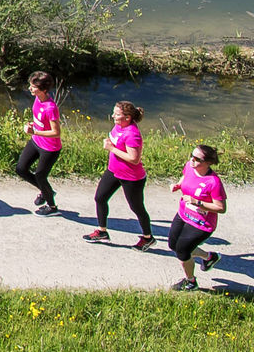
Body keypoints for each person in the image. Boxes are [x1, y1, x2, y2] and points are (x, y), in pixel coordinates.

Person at [85, 100, 155, 249]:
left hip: (131, 177)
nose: (113, 116)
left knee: (137, 208)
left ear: (127, 117)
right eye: (114, 113)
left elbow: (134, 159)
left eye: (117, 114)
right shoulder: (119, 125)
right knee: (100, 198)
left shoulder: (132, 134)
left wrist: (111, 148)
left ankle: (148, 237)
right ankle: (102, 231)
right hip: (114, 171)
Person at [167, 144, 228, 292]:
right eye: (191, 156)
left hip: (201, 223)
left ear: (208, 162)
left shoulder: (213, 182)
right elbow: (186, 176)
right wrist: (178, 185)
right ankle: (209, 257)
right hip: (184, 214)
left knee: (182, 251)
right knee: (173, 245)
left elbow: (221, 208)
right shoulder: (190, 166)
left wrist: (198, 203)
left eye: (197, 159)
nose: (192, 160)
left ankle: (191, 282)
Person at [15, 71, 62, 214]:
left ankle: (52, 207)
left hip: (49, 148)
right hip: (36, 142)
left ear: (44, 89)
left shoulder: (51, 108)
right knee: (21, 169)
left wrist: (34, 131)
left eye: (33, 87)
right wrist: (33, 127)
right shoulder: (38, 99)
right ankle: (47, 191)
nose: (30, 88)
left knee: (41, 176)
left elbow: (56, 132)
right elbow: (40, 121)